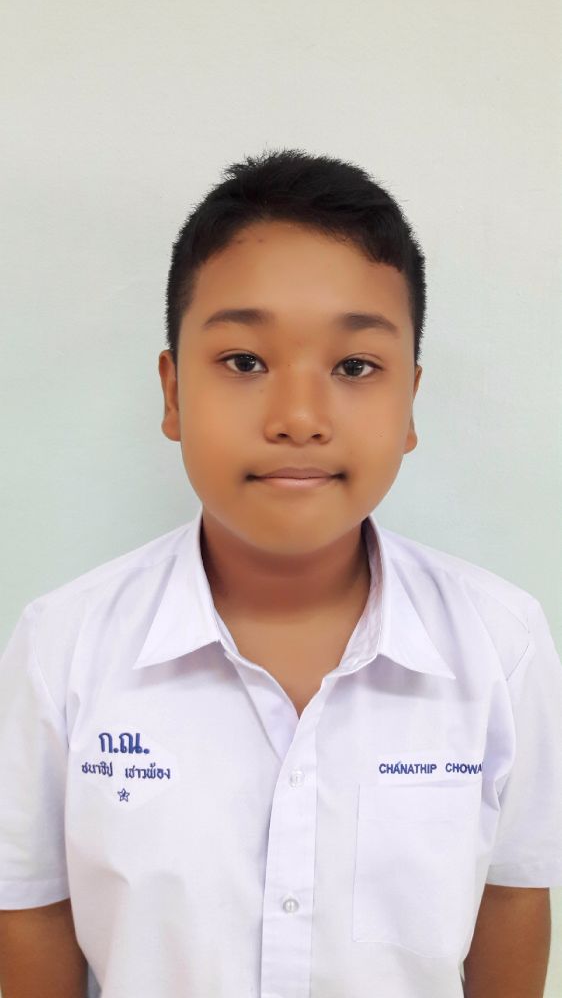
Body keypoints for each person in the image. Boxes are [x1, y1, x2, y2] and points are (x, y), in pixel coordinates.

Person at [0, 148, 560, 998]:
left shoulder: (501, 643)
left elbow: (512, 897)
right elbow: (31, 910)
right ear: (172, 393)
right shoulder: (63, 646)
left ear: (410, 402)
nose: (299, 418)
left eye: (355, 367)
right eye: (245, 362)